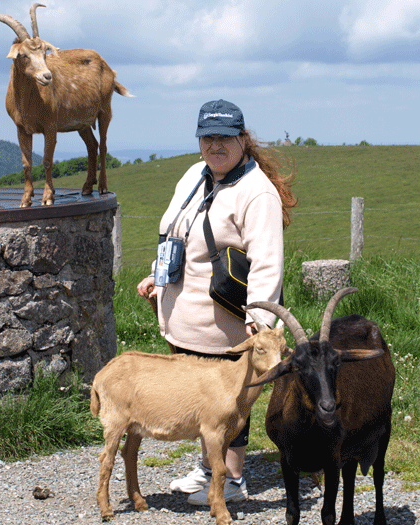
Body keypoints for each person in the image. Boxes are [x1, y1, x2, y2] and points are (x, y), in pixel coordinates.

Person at [137, 99, 297, 505]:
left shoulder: (257, 192)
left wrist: (258, 318)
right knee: (200, 400)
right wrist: (158, 277)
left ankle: (234, 480)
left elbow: (266, 261)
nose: (215, 145)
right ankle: (208, 469)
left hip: (226, 327)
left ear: (242, 139)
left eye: (225, 137)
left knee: (231, 403)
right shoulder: (194, 175)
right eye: (208, 137)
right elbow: (174, 231)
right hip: (183, 316)